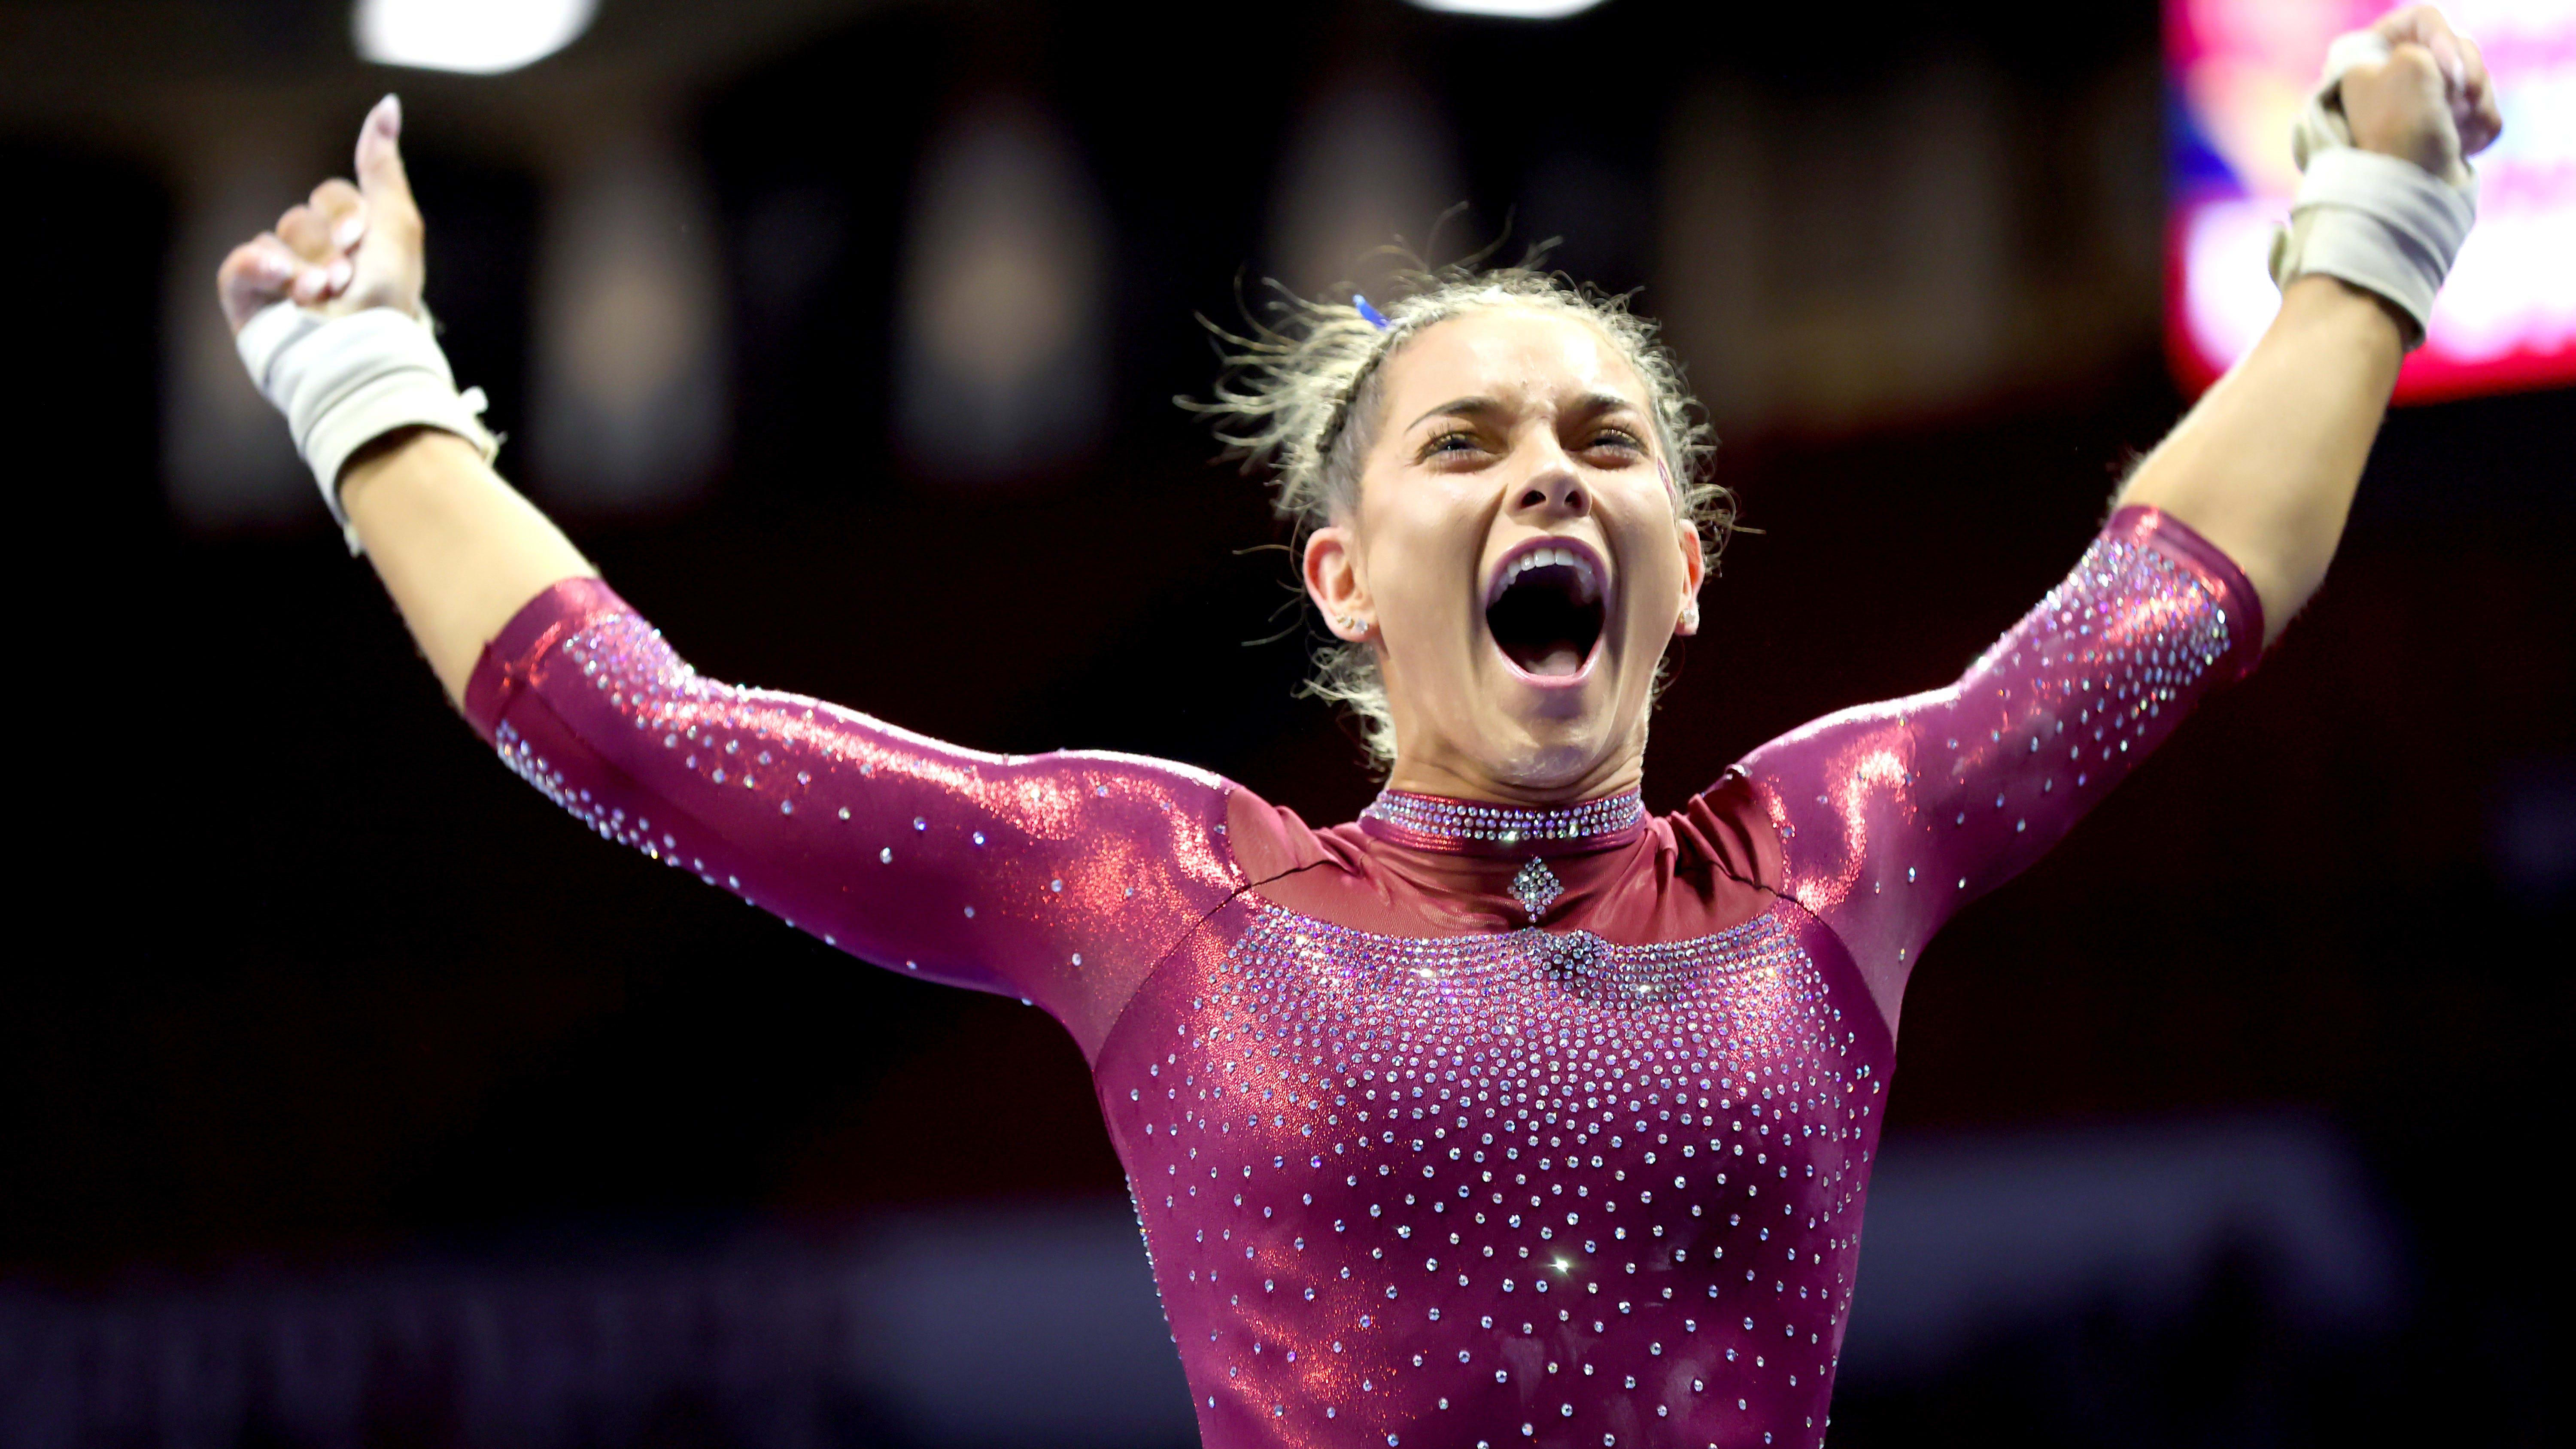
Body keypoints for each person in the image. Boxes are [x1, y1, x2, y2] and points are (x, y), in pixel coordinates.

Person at [215, 8, 2499, 1446]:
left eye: (1611, 440)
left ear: (1687, 565)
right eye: (1468, 438)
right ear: (1341, 576)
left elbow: (2171, 603)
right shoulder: (1166, 889)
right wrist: (365, 385)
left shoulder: (1831, 847)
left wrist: (2370, 229)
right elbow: (642, 732)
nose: (1549, 472)